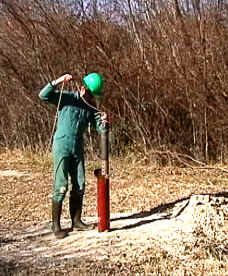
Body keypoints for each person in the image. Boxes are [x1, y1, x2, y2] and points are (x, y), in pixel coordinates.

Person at [39, 72, 108, 239]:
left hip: (77, 148)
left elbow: (100, 129)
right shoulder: (67, 97)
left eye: (94, 96)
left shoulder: (91, 108)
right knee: (61, 185)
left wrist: (104, 122)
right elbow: (43, 95)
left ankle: (76, 221)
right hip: (61, 145)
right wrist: (58, 80)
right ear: (83, 88)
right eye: (91, 94)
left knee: (79, 183)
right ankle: (55, 225)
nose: (92, 97)